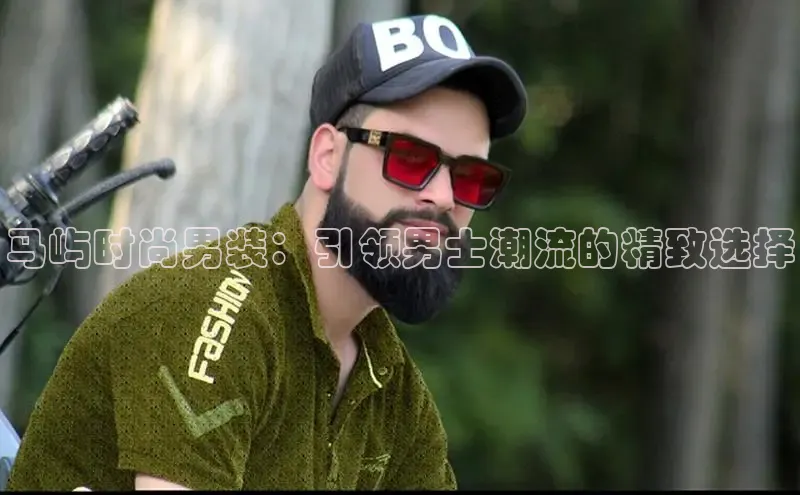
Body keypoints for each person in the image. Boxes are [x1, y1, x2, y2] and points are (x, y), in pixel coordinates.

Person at [6, 12, 526, 491]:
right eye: (411, 158)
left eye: (471, 177)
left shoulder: (393, 391)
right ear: (327, 156)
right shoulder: (212, 310)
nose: (444, 196)